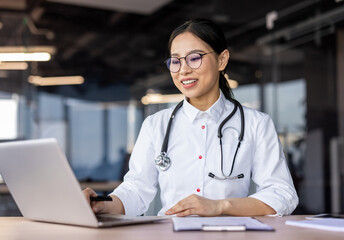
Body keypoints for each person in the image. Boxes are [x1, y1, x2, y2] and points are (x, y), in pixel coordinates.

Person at [83, 18, 299, 217]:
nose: (183, 70)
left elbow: (282, 194)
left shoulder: (256, 124)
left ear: (222, 60)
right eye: (175, 61)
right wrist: (102, 203)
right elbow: (136, 190)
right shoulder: (155, 125)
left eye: (194, 58)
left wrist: (221, 206)